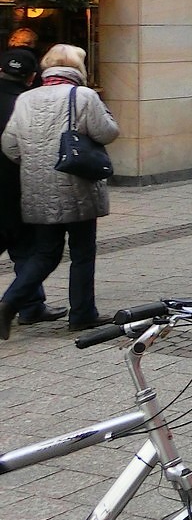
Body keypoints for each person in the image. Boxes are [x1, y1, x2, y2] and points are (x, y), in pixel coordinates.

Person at [0, 45, 118, 338]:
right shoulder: (84, 96)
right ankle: (82, 313)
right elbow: (108, 133)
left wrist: (34, 164)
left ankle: (9, 302)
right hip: (77, 184)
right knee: (82, 252)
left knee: (44, 253)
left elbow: (10, 144)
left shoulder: (26, 98)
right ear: (78, 67)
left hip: (37, 189)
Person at [0, 49, 55, 326]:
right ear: (32, 77)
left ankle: (32, 304)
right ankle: (30, 305)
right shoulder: (26, 105)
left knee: (25, 247)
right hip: (16, 187)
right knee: (26, 248)